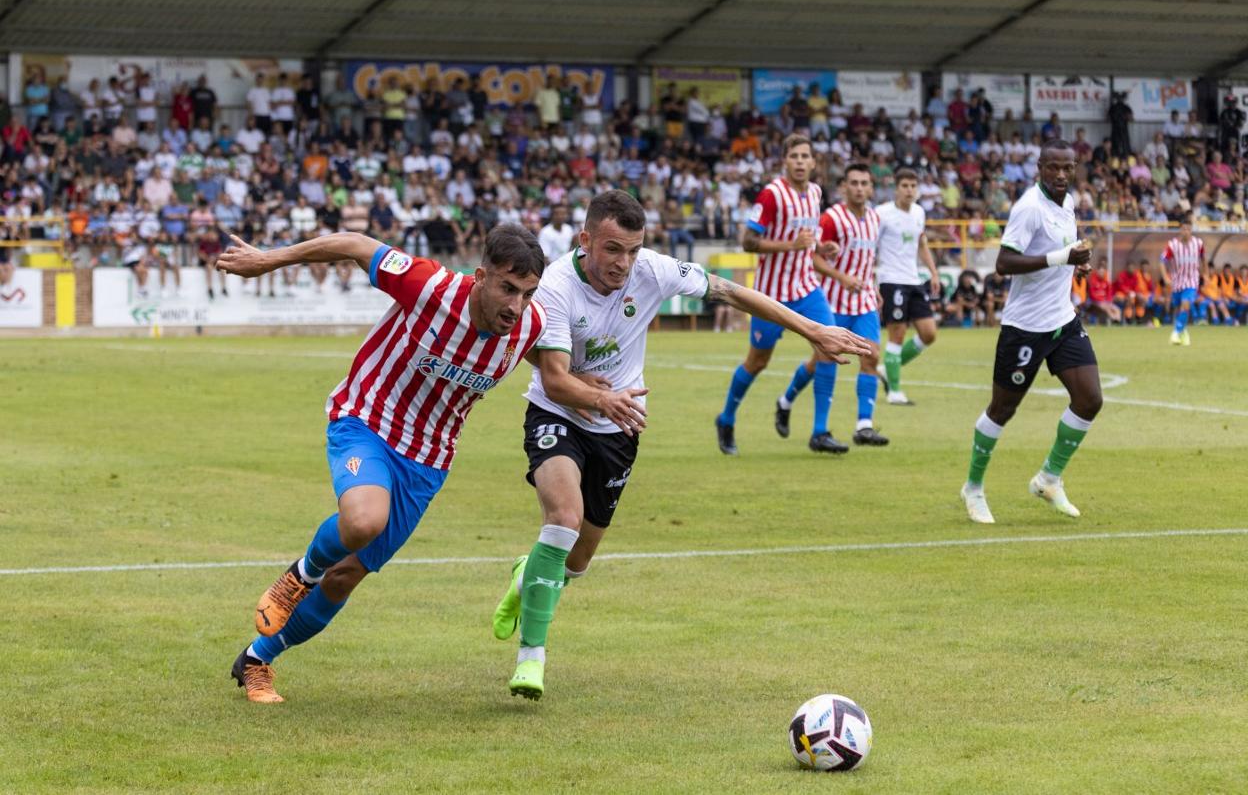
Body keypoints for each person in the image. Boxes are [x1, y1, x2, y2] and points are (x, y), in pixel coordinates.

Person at [490, 190, 872, 701]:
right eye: (611, 249)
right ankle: (531, 657)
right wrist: (600, 400)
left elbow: (731, 293)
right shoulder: (558, 285)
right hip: (559, 414)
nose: (622, 263)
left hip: (620, 426)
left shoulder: (652, 269)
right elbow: (557, 381)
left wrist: (811, 329)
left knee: (575, 561)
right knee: (563, 519)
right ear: (585, 241)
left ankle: (528, 574)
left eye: (632, 249)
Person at [216, 224, 551, 703]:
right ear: (480, 276)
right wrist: (268, 259)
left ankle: (256, 659)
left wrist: (601, 393)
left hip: (428, 462)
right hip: (367, 421)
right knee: (363, 519)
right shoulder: (429, 285)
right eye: (507, 288)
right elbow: (353, 243)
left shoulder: (529, 326)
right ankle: (297, 577)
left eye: (527, 293)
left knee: (348, 574)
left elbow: (553, 367)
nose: (515, 305)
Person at [960, 140, 1098, 526]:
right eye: (1053, 168)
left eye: (1067, 168)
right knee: (1002, 410)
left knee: (1089, 399)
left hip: (1062, 322)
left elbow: (1064, 248)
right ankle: (973, 488)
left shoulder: (1066, 203)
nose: (1060, 175)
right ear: (1039, 167)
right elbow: (1003, 263)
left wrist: (1075, 264)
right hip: (1024, 328)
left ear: (1074, 169)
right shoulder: (1028, 208)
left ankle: (1048, 479)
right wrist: (1062, 258)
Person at [714, 135, 846, 455]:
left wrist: (820, 247)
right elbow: (748, 242)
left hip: (806, 289)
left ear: (814, 163)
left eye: (805, 156)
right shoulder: (772, 195)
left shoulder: (815, 193)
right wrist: (792, 246)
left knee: (829, 348)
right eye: (794, 156)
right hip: (770, 294)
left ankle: (819, 432)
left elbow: (806, 240)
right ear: (784, 161)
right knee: (758, 361)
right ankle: (726, 418)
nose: (800, 162)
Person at [784, 162, 889, 446]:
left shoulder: (875, 219)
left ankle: (864, 426)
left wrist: (874, 286)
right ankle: (789, 401)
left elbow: (868, 260)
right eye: (853, 183)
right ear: (844, 187)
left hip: (864, 300)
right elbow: (814, 257)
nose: (859, 188)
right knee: (822, 361)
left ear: (870, 187)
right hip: (832, 300)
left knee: (871, 355)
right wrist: (841, 277)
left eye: (864, 183)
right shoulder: (831, 218)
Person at [873, 167, 941, 405]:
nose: (909, 190)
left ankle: (886, 369)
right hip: (891, 281)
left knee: (929, 333)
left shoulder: (919, 213)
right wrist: (870, 278)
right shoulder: (882, 213)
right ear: (896, 188)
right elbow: (871, 245)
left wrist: (933, 273)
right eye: (905, 186)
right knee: (898, 334)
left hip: (913, 280)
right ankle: (894, 392)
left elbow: (922, 244)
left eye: (913, 186)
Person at [1161, 215, 1206, 346]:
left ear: (1191, 230)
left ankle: (1175, 333)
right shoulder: (1173, 245)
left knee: (1186, 304)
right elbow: (1162, 261)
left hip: (1192, 281)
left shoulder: (1198, 243)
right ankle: (1184, 332)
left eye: (1188, 229)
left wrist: (1206, 273)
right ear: (1180, 230)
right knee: (1178, 307)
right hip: (1177, 281)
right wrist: (1165, 277)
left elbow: (1203, 258)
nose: (1186, 231)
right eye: (1184, 229)